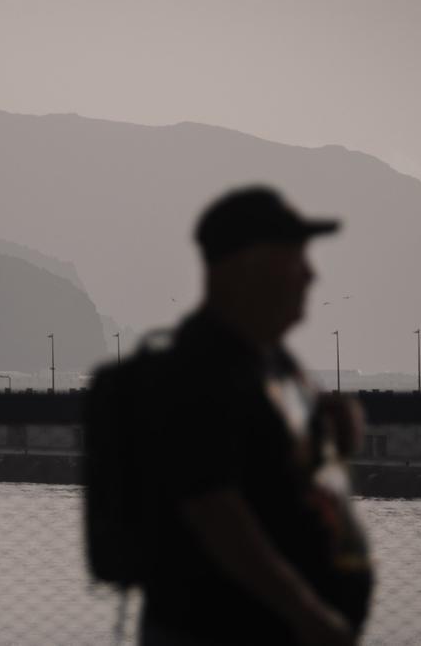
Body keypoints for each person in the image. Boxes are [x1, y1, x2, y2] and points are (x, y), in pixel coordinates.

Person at [139, 185, 373, 645]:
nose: (310, 276)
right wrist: (309, 616)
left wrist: (339, 430)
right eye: (294, 259)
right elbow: (213, 511)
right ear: (248, 267)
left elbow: (284, 472)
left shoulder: (269, 361)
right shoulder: (202, 368)